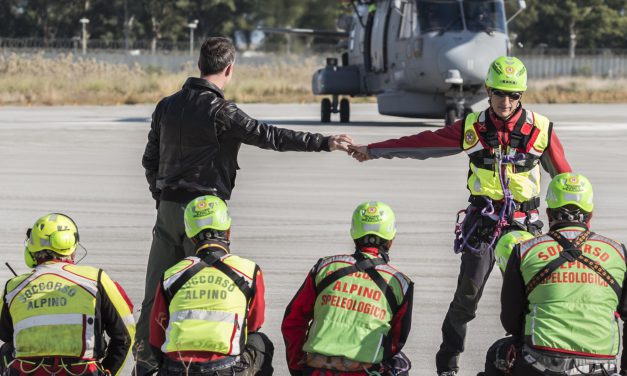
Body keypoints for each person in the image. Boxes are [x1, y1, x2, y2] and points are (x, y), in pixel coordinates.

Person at [137, 36, 353, 373]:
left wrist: (161, 198)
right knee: (214, 291)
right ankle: (218, 362)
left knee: (155, 296)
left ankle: (146, 366)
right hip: (207, 217)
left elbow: (150, 160)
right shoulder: (221, 111)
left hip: (167, 210)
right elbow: (269, 136)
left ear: (199, 65)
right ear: (229, 69)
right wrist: (324, 142)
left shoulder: (166, 106)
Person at [348, 56, 572, 376]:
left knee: (535, 297)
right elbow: (423, 143)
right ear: (488, 91)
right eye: (498, 94)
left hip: (524, 227)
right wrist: (374, 149)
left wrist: (573, 231)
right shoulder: (473, 128)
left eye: (513, 95)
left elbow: (565, 182)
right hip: (483, 226)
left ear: (521, 95)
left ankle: (528, 361)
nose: (505, 102)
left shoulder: (541, 129)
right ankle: (448, 364)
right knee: (466, 300)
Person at [480, 172, 627, 376]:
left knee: (498, 353)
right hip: (601, 368)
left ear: (548, 214)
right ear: (590, 215)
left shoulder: (525, 250)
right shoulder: (618, 252)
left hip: (541, 365)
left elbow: (510, 320)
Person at [282, 201, 413, 376]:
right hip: (362, 372)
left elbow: (293, 321)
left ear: (354, 233)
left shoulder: (325, 267)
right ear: (390, 240)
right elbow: (396, 342)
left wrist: (297, 367)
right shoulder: (399, 283)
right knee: (401, 364)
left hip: (315, 371)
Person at [149, 195, 273, 376]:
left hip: (176, 368)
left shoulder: (171, 275)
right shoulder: (249, 271)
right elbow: (255, 323)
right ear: (228, 229)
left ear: (190, 236)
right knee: (260, 341)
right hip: (224, 368)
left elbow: (155, 336)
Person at [0, 213, 135, 376]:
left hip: (29, 372)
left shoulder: (14, 286)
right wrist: (109, 371)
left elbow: (5, 334)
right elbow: (124, 336)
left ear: (31, 248)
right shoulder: (96, 279)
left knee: (7, 349)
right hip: (83, 372)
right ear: (73, 246)